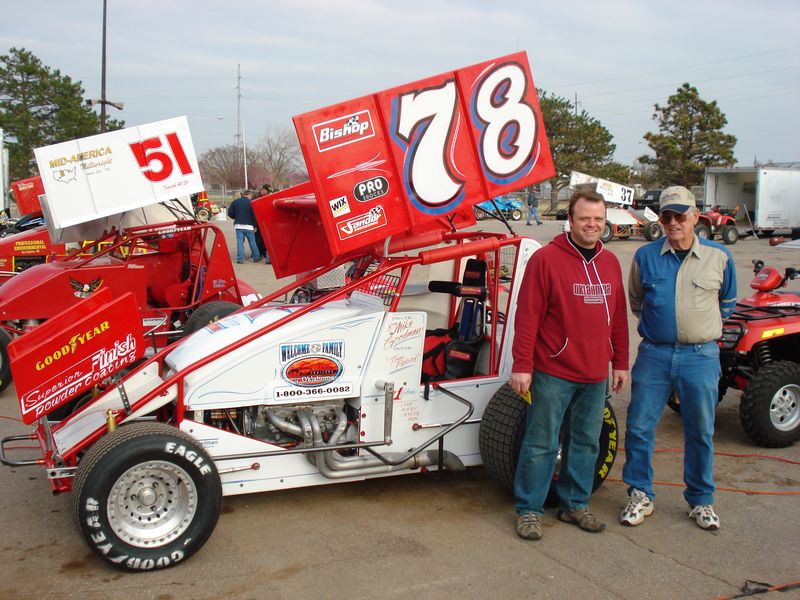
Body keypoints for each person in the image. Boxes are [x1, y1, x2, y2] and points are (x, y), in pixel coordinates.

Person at [510, 190, 630, 541]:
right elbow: (527, 317)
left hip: (594, 375)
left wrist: (620, 362)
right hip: (553, 372)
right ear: (571, 220)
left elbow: (618, 319)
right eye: (584, 218)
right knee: (541, 443)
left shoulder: (610, 263)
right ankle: (529, 510)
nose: (592, 225)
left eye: (598, 218)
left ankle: (575, 504)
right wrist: (522, 365)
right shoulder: (546, 260)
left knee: (587, 443)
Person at [621, 186, 736, 531]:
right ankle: (640, 493)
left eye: (680, 215)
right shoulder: (645, 257)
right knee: (640, 427)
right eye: (666, 215)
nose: (673, 222)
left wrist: (696, 329)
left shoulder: (720, 257)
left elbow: (727, 304)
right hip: (654, 354)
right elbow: (637, 301)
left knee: (700, 430)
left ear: (695, 216)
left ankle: (701, 500)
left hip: (700, 356)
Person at [227, 190, 262, 264]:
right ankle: (256, 257)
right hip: (249, 226)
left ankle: (240, 258)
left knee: (240, 242)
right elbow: (254, 216)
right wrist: (255, 225)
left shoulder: (235, 202)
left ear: (243, 194)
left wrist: (235, 217)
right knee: (252, 242)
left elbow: (230, 213)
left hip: (238, 225)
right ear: (249, 195)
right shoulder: (251, 203)